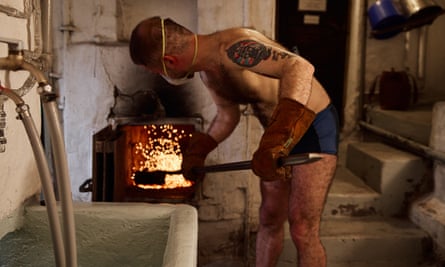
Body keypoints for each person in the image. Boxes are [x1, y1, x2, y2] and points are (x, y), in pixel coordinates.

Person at [129, 16, 339, 267]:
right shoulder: (208, 73)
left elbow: (300, 68)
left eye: (157, 72)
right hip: (277, 137)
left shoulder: (234, 49)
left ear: (169, 61)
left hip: (313, 128)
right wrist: (202, 147)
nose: (163, 76)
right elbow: (228, 115)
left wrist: (278, 136)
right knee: (270, 218)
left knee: (302, 228)